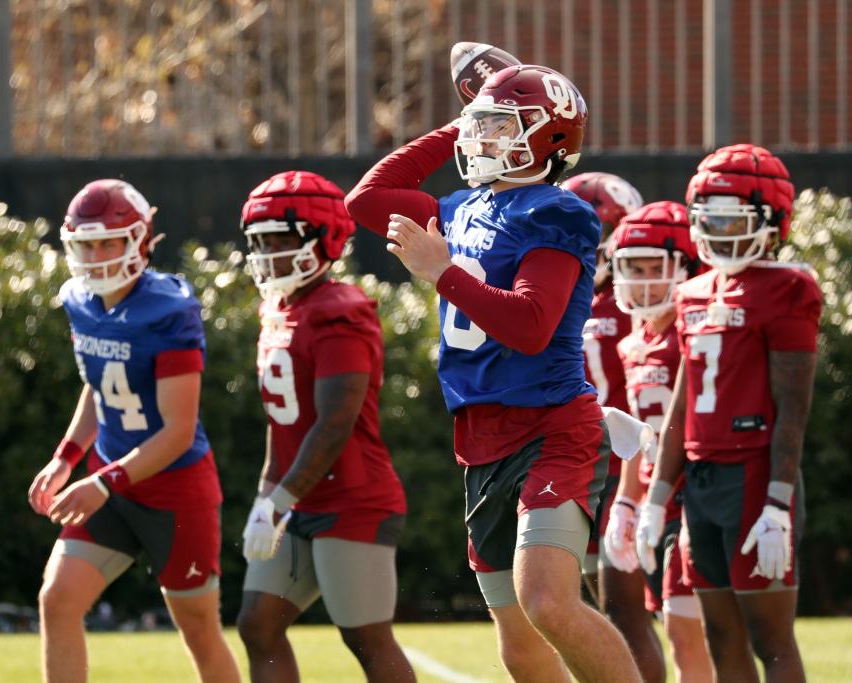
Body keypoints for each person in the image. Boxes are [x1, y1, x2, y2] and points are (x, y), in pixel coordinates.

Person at [346, 64, 641, 683]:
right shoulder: (460, 208)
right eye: (477, 128)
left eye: (496, 128)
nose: (478, 140)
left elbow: (532, 324)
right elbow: (366, 201)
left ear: (548, 139)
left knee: (548, 603)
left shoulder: (557, 212)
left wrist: (442, 272)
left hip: (551, 426)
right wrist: (461, 118)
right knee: (519, 639)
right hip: (481, 438)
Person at [27, 179, 240, 683]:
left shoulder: (167, 310)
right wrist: (65, 457)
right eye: (87, 244)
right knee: (57, 601)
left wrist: (100, 482)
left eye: (110, 242)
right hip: (112, 486)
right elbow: (100, 387)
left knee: (200, 633)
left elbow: (178, 432)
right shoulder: (81, 301)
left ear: (140, 241)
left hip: (175, 492)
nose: (98, 256)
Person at [637, 144, 821, 682]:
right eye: (708, 217)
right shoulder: (692, 293)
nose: (717, 230)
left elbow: (794, 407)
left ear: (770, 220)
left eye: (730, 218)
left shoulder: (789, 288)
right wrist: (656, 497)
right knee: (720, 634)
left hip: (756, 475)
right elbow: (684, 398)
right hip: (701, 479)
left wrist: (778, 504)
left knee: (771, 638)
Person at [235, 170, 414, 683]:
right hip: (297, 496)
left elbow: (336, 424)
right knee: (258, 623)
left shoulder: (341, 311)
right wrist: (266, 494)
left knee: (364, 636)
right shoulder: (277, 309)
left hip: (352, 500)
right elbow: (282, 419)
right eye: (260, 240)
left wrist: (279, 502)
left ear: (323, 238)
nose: (267, 251)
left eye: (281, 238)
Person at [601, 201, 713, 683]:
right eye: (635, 268)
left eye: (656, 268)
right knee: (676, 630)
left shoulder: (693, 334)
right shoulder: (633, 342)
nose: (646, 281)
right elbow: (637, 433)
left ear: (686, 267)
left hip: (694, 494)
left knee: (695, 633)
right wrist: (626, 501)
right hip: (654, 499)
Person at [562, 173, 666, 682]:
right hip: (575, 465)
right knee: (588, 611)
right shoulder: (559, 301)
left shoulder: (632, 306)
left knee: (627, 613)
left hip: (630, 465)